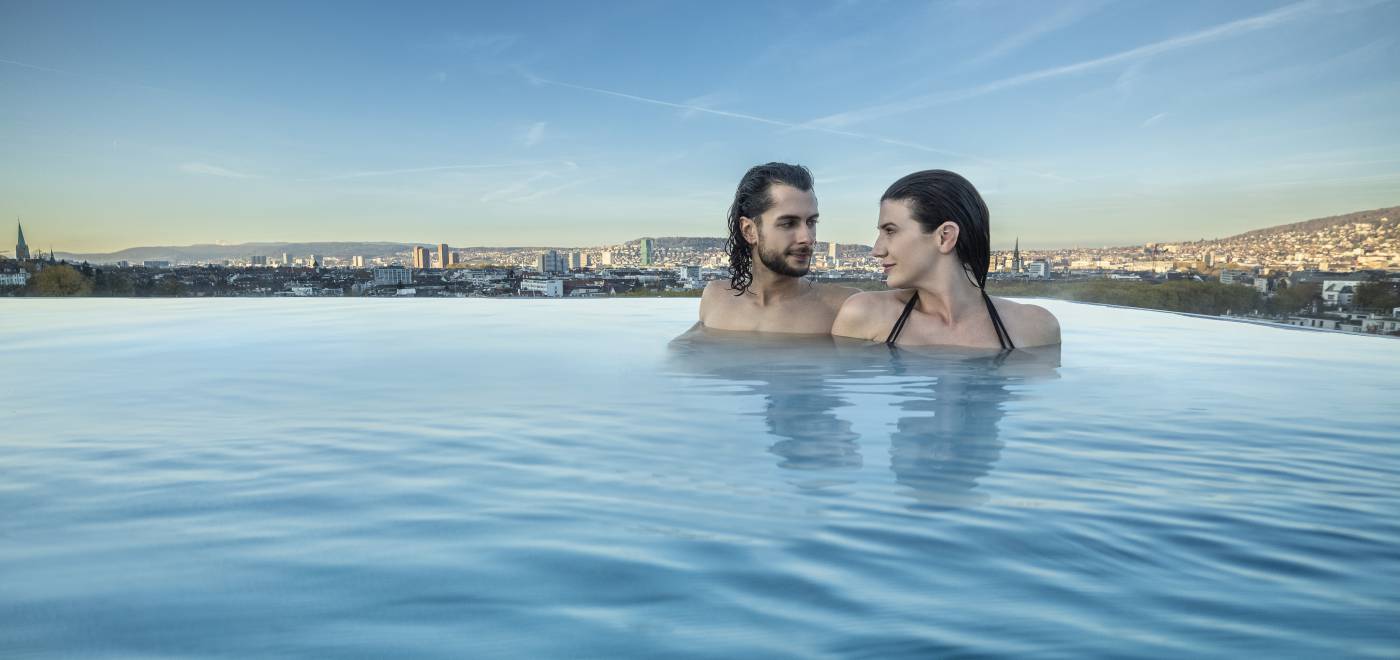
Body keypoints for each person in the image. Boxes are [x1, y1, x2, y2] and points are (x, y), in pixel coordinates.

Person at [832, 169, 1060, 349]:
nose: (877, 250)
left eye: (890, 231)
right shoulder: (865, 315)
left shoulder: (1036, 328)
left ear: (945, 236)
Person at [698, 162, 858, 333]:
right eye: (788, 223)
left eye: (811, 222)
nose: (807, 238)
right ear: (749, 230)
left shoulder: (843, 307)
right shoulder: (716, 297)